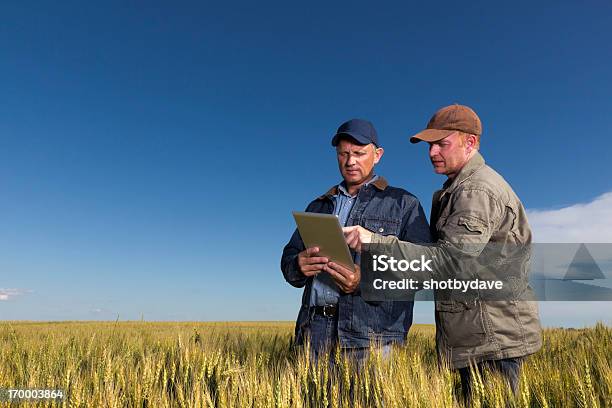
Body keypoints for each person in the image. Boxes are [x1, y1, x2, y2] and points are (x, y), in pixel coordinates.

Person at [344, 105, 542, 399]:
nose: (432, 152)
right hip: (479, 335)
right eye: (429, 145)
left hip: (492, 339)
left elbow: (450, 262)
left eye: (442, 143)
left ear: (470, 142)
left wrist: (375, 241)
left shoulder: (477, 191)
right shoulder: (458, 188)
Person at [281, 118, 431, 362]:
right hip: (314, 332)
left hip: (371, 338)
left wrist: (366, 280)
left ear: (378, 155)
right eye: (343, 154)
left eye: (359, 153)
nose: (350, 162)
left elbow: (423, 270)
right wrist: (298, 265)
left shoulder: (404, 204)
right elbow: (289, 258)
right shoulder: (318, 206)